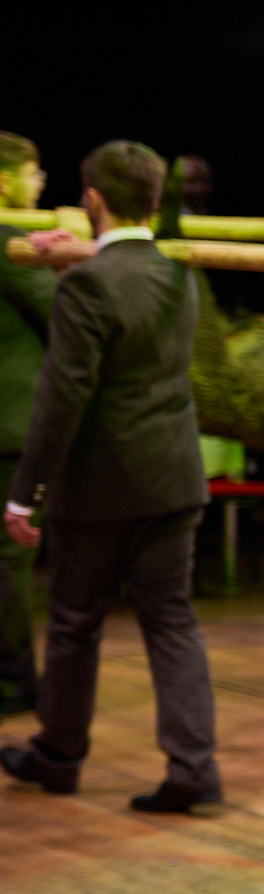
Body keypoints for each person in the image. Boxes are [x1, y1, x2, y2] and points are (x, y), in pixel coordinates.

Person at [1, 141, 221, 812]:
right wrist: (77, 255)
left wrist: (25, 494)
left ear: (93, 199)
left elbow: (62, 396)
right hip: (174, 476)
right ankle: (194, 768)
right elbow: (128, 280)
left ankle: (59, 755)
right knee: (173, 622)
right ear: (153, 200)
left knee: (74, 622)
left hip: (102, 485)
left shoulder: (88, 283)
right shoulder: (177, 274)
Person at [0, 131, 54, 718]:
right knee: (8, 558)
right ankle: (13, 681)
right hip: (8, 430)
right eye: (34, 173)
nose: (40, 184)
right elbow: (64, 308)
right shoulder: (8, 243)